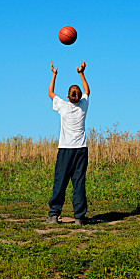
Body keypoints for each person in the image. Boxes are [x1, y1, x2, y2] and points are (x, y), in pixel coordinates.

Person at [46, 61, 90, 225]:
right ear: (79, 98)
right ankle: (79, 217)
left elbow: (50, 92)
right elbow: (87, 91)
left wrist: (54, 74)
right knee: (78, 182)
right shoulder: (84, 106)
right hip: (81, 150)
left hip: (65, 149)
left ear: (67, 96)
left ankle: (53, 215)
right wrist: (81, 73)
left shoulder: (63, 106)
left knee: (61, 181)